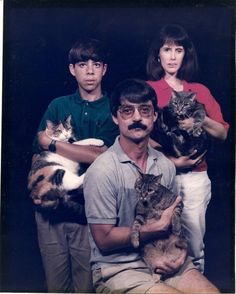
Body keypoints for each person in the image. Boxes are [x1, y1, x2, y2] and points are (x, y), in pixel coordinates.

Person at [84, 78, 219, 293]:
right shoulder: (102, 170)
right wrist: (152, 229)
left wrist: (181, 252)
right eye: (127, 111)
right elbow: (103, 239)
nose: (137, 117)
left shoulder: (165, 165)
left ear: (155, 116)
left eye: (145, 110)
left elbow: (174, 217)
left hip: (166, 255)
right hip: (120, 267)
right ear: (114, 117)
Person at [31, 38, 119, 293]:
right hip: (51, 211)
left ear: (105, 69)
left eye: (96, 64)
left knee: (86, 285)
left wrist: (54, 144)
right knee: (56, 285)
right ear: (72, 69)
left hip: (88, 210)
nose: (89, 71)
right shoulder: (59, 105)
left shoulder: (113, 108)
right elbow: (39, 144)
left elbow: (101, 156)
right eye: (82, 64)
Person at [146, 24, 229, 273]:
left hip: (194, 177)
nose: (172, 56)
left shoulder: (200, 91)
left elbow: (223, 133)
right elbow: (138, 135)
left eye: (178, 50)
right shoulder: (149, 89)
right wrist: (170, 161)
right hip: (159, 180)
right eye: (167, 49)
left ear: (186, 54)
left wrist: (199, 118)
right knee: (159, 244)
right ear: (158, 54)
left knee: (194, 245)